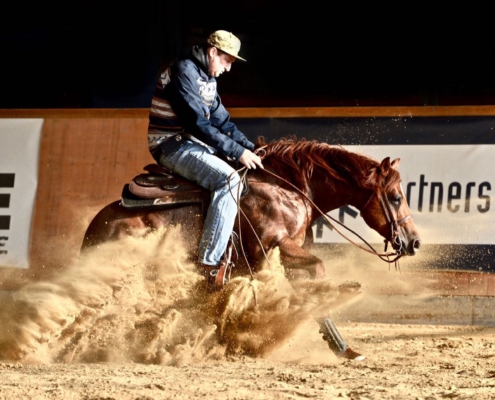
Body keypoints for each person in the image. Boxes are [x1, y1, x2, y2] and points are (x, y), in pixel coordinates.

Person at [147, 30, 263, 291]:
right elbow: (197, 123)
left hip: (193, 143)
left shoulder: (207, 79)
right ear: (212, 52)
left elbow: (223, 122)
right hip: (172, 145)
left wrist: (252, 148)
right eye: (227, 60)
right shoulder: (184, 71)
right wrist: (237, 152)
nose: (228, 68)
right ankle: (209, 264)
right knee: (229, 181)